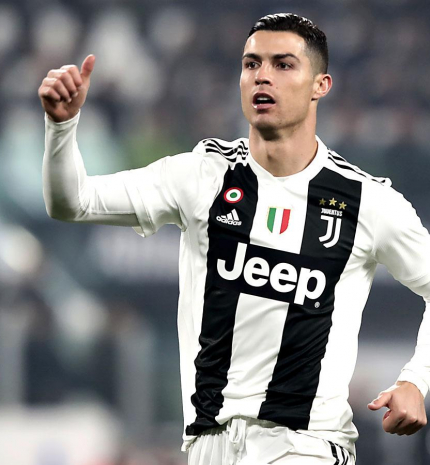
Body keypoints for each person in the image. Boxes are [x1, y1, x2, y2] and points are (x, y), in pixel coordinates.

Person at [39, 13, 429, 465]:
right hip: (208, 446)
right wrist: (62, 127)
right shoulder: (201, 176)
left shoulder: (365, 201)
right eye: (251, 64)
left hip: (307, 446)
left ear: (320, 85)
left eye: (283, 64)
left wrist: (416, 380)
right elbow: (73, 202)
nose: (262, 75)